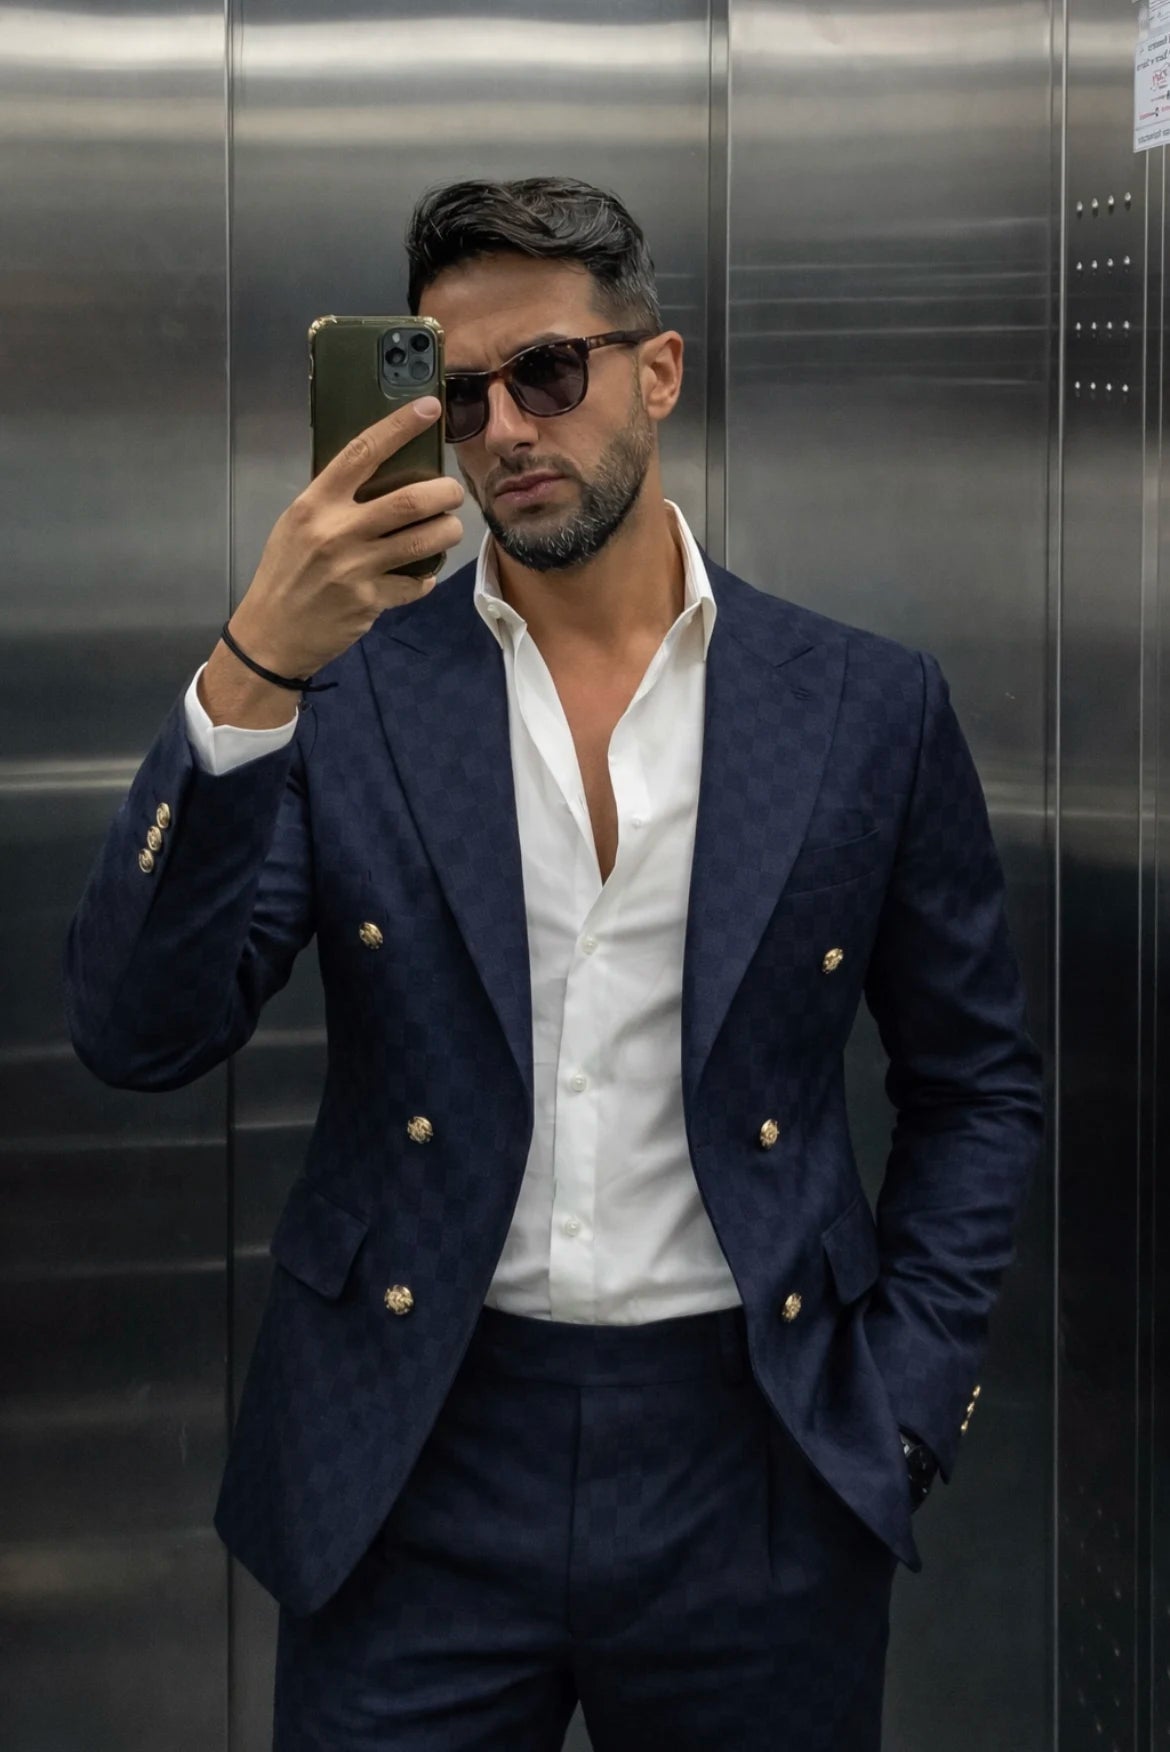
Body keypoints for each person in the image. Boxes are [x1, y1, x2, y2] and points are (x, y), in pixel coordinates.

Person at [64, 176, 1044, 1751]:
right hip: (407, 1448)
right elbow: (137, 1031)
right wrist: (252, 667)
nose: (505, 428)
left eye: (547, 373)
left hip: (761, 1452)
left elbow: (975, 1083)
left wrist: (909, 1398)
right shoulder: (347, 693)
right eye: (458, 395)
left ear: (655, 373)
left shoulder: (861, 705)